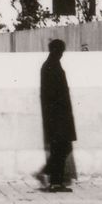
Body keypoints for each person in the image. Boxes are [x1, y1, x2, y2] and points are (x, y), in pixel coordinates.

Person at [35, 39, 77, 192]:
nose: (61, 54)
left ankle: (55, 180)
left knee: (61, 148)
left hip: (58, 116)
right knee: (61, 148)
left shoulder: (50, 65)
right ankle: (53, 180)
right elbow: (53, 95)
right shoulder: (51, 66)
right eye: (60, 51)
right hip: (57, 116)